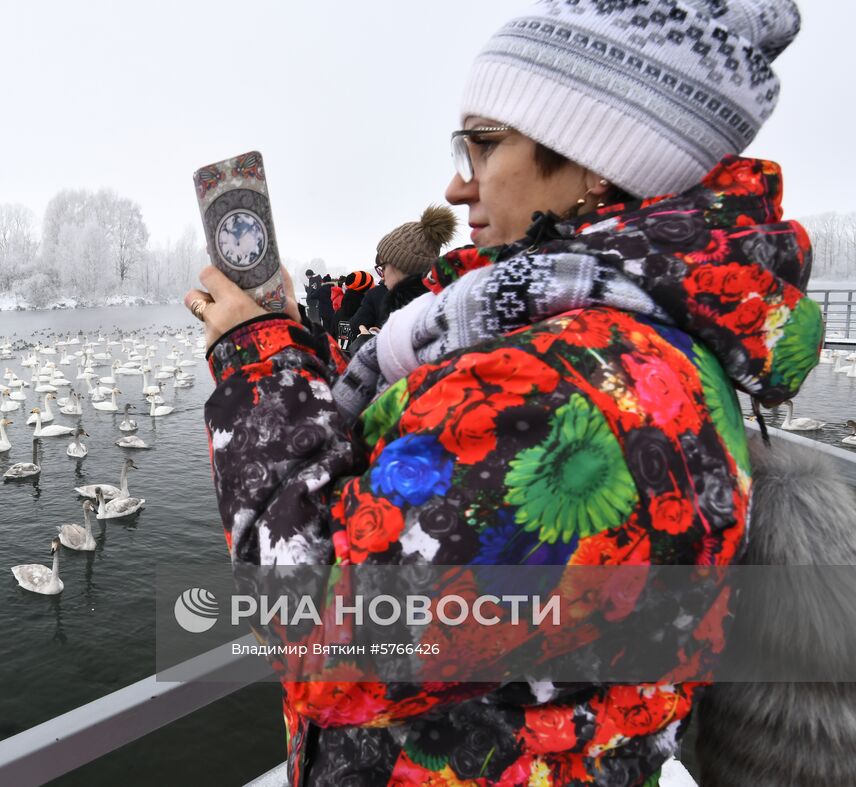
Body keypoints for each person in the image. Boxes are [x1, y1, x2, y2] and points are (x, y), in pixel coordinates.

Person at [183, 0, 819, 784]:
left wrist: (256, 356)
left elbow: (322, 628)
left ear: (598, 160)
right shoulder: (606, 339)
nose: (456, 184)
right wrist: (292, 334)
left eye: (483, 144)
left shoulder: (582, 392)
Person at [343, 205, 456, 352]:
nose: (382, 274)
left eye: (383, 267)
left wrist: (368, 344)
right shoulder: (444, 303)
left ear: (400, 264)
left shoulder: (406, 317)